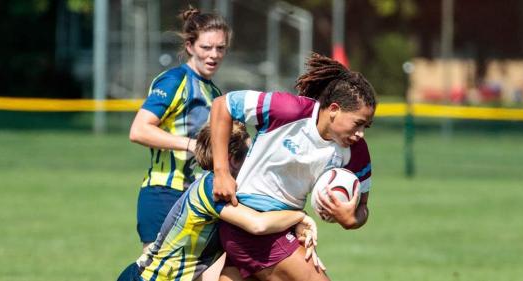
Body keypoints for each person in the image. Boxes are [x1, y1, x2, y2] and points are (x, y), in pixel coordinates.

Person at [210, 53, 376, 280]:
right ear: (334, 109)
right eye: (358, 124)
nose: (361, 134)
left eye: (366, 126)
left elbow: (363, 208)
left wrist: (352, 219)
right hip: (247, 221)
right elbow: (222, 105)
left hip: (283, 226)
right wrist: (221, 173)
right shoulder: (288, 111)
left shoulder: (356, 152)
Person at [118, 123, 321, 281]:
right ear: (232, 159)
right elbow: (258, 224)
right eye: (248, 154)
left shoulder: (225, 186)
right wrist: (300, 216)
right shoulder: (212, 186)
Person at [128, 7, 231, 249]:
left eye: (220, 48)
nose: (214, 55)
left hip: (198, 198)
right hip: (164, 193)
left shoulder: (214, 92)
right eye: (206, 47)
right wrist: (190, 145)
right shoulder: (174, 81)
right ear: (190, 46)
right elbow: (139, 130)